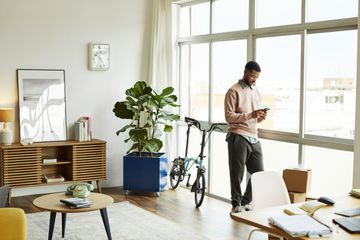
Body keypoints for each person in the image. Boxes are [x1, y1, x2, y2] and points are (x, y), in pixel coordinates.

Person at [224, 61, 267, 214]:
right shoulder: (233, 91)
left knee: (259, 173)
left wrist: (259, 117)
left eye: (256, 77)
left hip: (254, 136)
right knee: (237, 173)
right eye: (252, 76)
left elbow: (253, 116)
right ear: (245, 72)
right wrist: (250, 115)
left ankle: (246, 201)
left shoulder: (256, 91)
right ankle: (236, 204)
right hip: (238, 135)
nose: (254, 79)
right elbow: (229, 117)